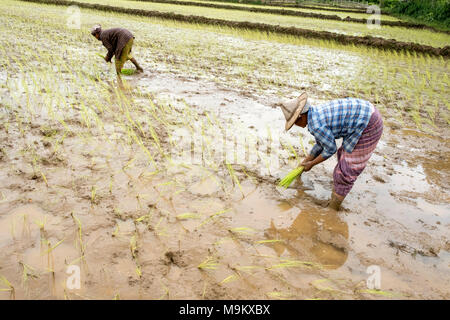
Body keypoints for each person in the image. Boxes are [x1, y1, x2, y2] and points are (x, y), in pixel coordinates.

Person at [279, 93, 383, 210]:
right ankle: (337, 195)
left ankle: (333, 210)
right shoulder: (315, 114)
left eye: (294, 122)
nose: (295, 126)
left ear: (301, 117)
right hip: (366, 113)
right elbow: (321, 144)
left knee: (346, 169)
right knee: (343, 157)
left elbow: (330, 149)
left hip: (369, 124)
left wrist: (311, 164)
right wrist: (304, 163)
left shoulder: (316, 125)